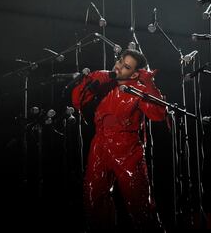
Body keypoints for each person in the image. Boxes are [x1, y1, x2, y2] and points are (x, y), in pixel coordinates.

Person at [71, 49, 166, 232]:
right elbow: (77, 101)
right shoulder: (104, 80)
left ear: (135, 73)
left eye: (126, 66)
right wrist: (90, 81)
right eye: (120, 61)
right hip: (100, 143)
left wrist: (149, 84)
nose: (119, 67)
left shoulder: (139, 90)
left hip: (126, 147)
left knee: (138, 202)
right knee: (93, 196)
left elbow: (158, 114)